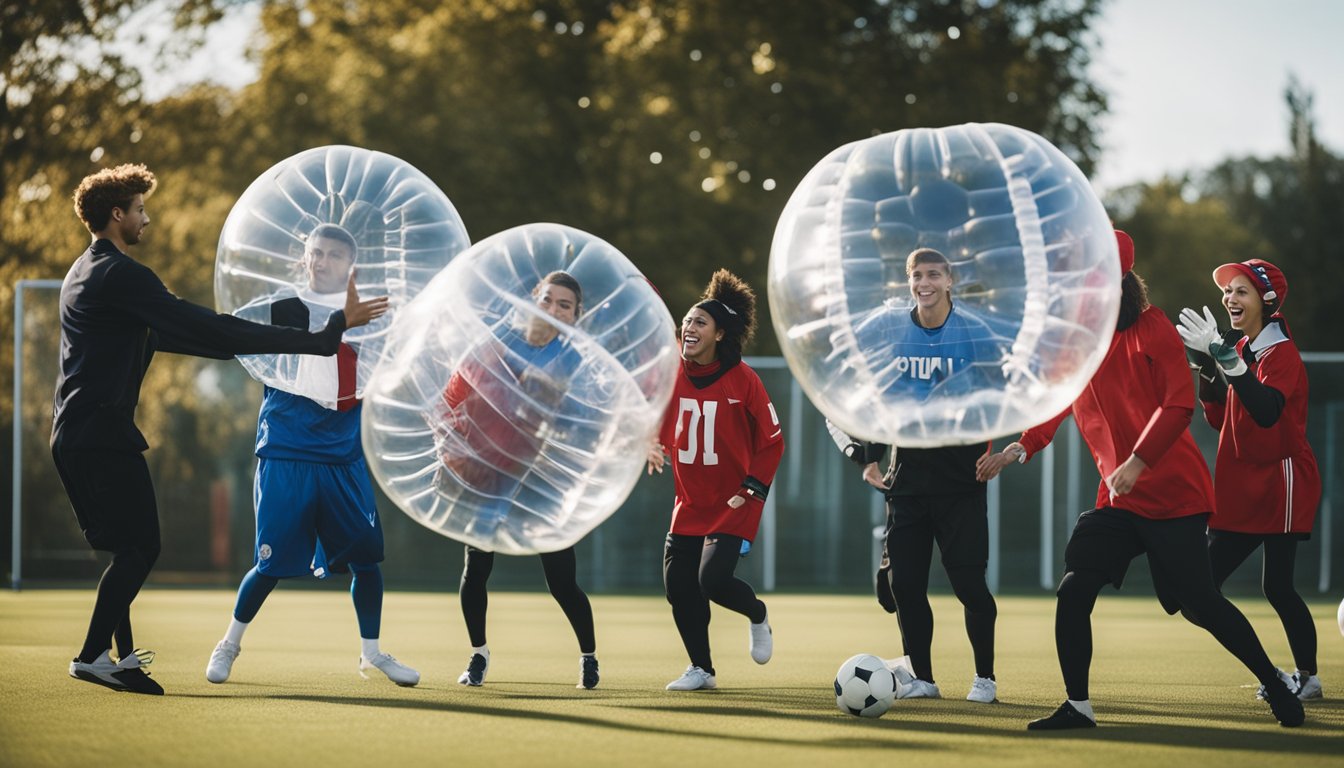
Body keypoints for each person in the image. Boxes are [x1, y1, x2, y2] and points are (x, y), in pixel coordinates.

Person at [54, 164, 387, 695]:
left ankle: (119, 659)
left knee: (129, 549)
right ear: (117, 215)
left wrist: (270, 343)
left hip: (77, 431)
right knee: (141, 548)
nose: (147, 217)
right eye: (140, 209)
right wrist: (323, 336)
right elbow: (204, 325)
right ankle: (94, 655)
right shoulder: (123, 274)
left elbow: (190, 338)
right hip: (100, 431)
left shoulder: (85, 271)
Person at [975, 230, 1304, 730]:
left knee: (1199, 603)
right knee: (1074, 588)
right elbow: (1060, 401)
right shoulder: (1079, 339)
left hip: (1175, 496)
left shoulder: (1153, 330)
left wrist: (1137, 462)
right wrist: (1024, 445)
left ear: (1121, 281)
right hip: (1119, 500)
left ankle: (1275, 682)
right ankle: (1078, 707)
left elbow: (1179, 405)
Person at [204, 223, 419, 688]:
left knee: (366, 559)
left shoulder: (374, 315)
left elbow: (394, 372)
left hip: (343, 453)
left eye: (334, 255)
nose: (322, 261)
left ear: (351, 265)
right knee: (270, 562)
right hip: (287, 447)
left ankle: (372, 654)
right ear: (304, 258)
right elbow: (240, 341)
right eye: (315, 253)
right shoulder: (282, 307)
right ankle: (230, 644)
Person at [832, 248, 999, 703]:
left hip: (960, 480)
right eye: (915, 275)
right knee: (902, 585)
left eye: (932, 275)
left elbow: (1003, 393)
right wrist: (867, 456)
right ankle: (922, 678)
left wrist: (998, 451)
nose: (923, 283)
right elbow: (873, 398)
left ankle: (985, 677)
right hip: (907, 478)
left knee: (969, 586)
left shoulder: (975, 331)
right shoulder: (890, 330)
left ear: (949, 280)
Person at [435, 271, 600, 690]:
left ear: (576, 316)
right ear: (534, 298)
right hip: (487, 475)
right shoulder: (492, 345)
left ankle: (589, 657)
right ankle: (478, 655)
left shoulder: (574, 362)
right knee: (476, 569)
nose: (554, 310)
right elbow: (450, 400)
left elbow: (583, 425)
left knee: (562, 581)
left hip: (541, 480)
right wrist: (450, 443)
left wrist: (550, 405)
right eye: (548, 300)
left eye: (565, 305)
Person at [1176, 259, 1322, 701]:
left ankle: (1305, 678)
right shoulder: (1243, 352)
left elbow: (1266, 412)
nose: (1229, 299)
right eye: (1228, 291)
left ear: (1267, 301)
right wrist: (1205, 365)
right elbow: (1223, 418)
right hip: (1243, 480)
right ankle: (1277, 674)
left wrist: (1224, 358)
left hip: (1283, 478)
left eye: (1242, 291)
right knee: (1195, 591)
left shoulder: (1282, 354)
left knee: (1276, 586)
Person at [646, 269, 784, 691]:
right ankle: (701, 669)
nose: (689, 327)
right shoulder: (671, 369)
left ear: (720, 335)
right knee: (678, 587)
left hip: (735, 501)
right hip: (689, 502)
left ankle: (757, 613)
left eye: (699, 322)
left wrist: (752, 489)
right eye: (687, 321)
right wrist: (651, 441)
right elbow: (647, 405)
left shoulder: (744, 381)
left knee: (713, 581)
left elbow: (773, 441)